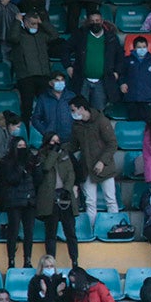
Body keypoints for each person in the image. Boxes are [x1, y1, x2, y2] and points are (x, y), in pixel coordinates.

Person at [64, 96, 119, 228]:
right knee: (90, 202)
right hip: (86, 168)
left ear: (82, 108)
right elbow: (73, 145)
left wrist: (102, 161)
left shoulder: (101, 121)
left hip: (105, 168)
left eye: (73, 110)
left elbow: (112, 144)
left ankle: (115, 228)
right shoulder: (77, 126)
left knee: (110, 200)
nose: (72, 113)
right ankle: (91, 229)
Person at [62, 12, 124, 113]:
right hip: (82, 80)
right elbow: (65, 48)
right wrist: (68, 66)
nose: (95, 23)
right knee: (79, 110)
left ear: (102, 21)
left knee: (98, 111)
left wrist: (117, 72)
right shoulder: (80, 35)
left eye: (97, 21)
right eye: (92, 21)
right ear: (88, 23)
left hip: (102, 81)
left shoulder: (111, 38)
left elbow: (120, 56)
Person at [7, 12, 57, 129]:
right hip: (26, 77)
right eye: (32, 24)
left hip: (43, 75)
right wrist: (17, 21)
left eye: (36, 24)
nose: (35, 26)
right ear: (25, 23)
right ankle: (26, 135)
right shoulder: (20, 35)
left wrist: (42, 22)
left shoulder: (41, 35)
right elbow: (13, 37)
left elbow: (55, 35)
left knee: (45, 106)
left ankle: (47, 135)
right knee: (27, 108)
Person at [0, 138, 37, 269]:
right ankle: (11, 261)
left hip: (29, 201)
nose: (22, 148)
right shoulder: (7, 162)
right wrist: (20, 167)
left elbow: (37, 179)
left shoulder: (31, 160)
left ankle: (28, 260)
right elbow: (11, 179)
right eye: (19, 146)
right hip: (14, 202)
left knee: (29, 232)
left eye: (24, 145)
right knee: (13, 232)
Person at [120, 36, 151, 120]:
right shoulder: (127, 60)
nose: (142, 49)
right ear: (134, 48)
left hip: (147, 98)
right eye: (139, 47)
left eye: (144, 47)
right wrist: (122, 83)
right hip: (131, 97)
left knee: (146, 123)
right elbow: (122, 74)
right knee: (133, 122)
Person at [32, 73, 77, 145]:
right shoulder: (43, 98)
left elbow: (78, 116)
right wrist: (47, 133)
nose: (60, 82)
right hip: (51, 141)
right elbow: (35, 119)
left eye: (62, 80)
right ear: (50, 83)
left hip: (70, 139)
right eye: (57, 80)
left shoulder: (72, 96)